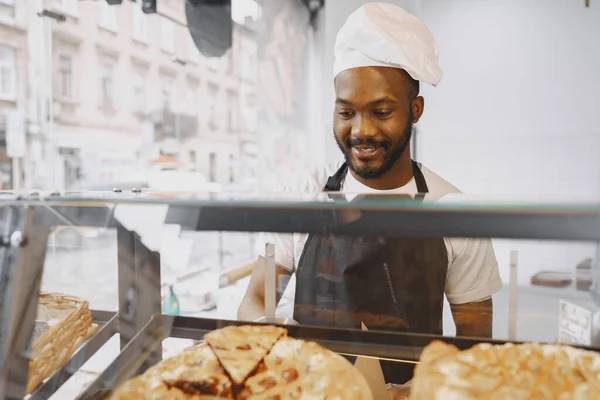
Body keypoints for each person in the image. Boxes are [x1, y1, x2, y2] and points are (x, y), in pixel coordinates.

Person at [238, 2, 502, 398]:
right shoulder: (302, 195)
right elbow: (257, 298)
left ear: (415, 110)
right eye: (346, 112)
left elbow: (475, 339)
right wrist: (274, 358)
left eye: (381, 111)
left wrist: (425, 388)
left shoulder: (454, 212)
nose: (361, 130)